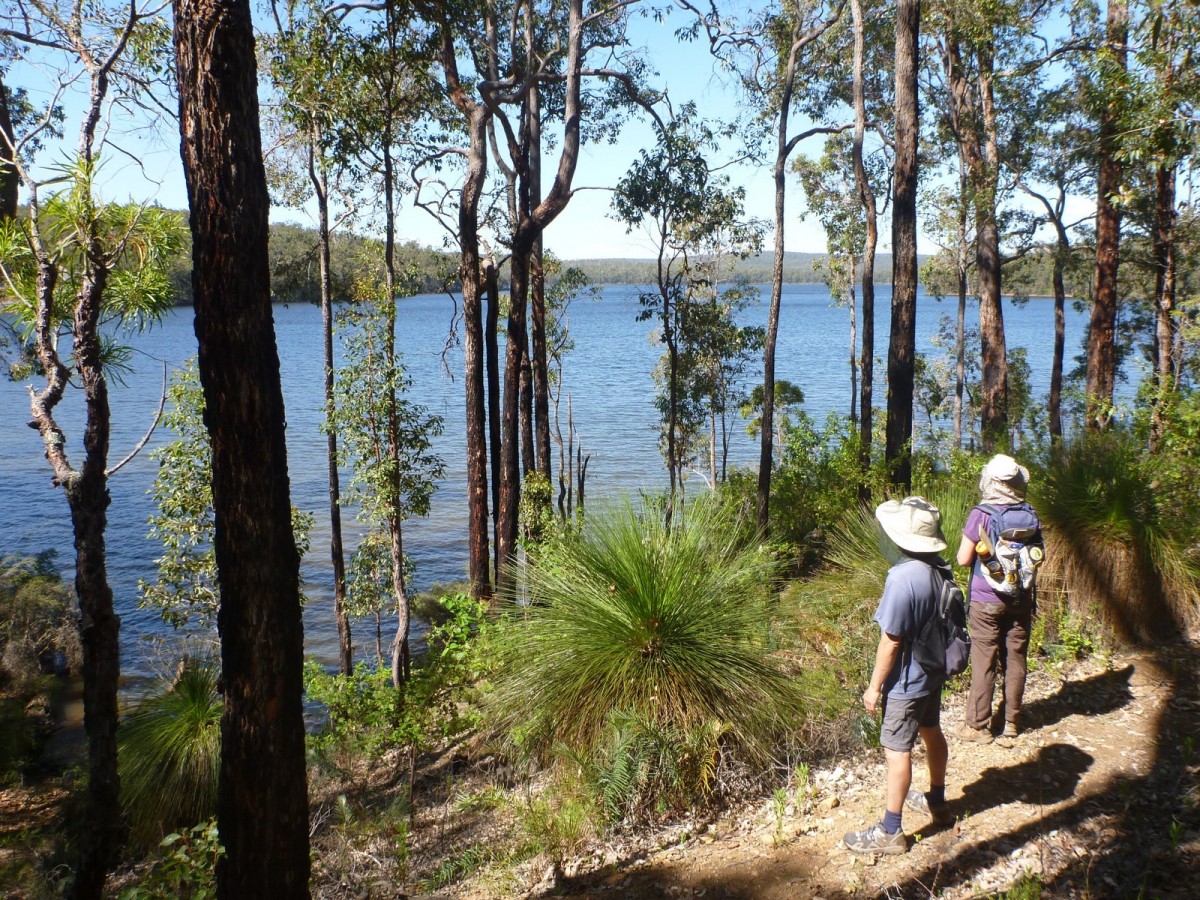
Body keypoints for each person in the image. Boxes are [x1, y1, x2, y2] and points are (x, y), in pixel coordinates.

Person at [843, 497, 954, 856]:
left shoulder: (903, 578)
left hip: (906, 683)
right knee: (931, 731)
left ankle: (891, 831)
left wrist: (874, 688)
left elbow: (890, 641)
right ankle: (937, 800)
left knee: (896, 749)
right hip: (932, 675)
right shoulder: (941, 569)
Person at [955, 454, 1037, 745]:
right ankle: (1012, 721)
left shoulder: (983, 513)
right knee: (1015, 657)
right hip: (1021, 596)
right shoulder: (1029, 513)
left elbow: (964, 559)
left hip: (986, 599)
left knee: (984, 658)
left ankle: (978, 726)